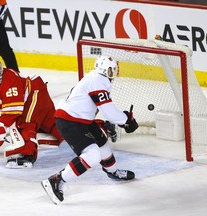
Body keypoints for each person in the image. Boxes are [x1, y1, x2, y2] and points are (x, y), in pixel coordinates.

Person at [41, 56, 139, 204]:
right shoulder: (99, 80)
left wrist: (121, 119)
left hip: (83, 120)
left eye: (114, 70)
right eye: (110, 70)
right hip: (70, 121)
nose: (113, 73)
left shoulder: (95, 78)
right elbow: (109, 112)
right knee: (92, 155)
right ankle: (56, 180)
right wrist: (126, 120)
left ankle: (112, 172)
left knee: (103, 146)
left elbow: (103, 109)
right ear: (103, 70)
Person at [0, 56, 63, 168]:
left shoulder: (10, 76)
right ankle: (79, 135)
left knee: (25, 124)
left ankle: (27, 156)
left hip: (34, 94)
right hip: (30, 98)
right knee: (53, 125)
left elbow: (12, 112)